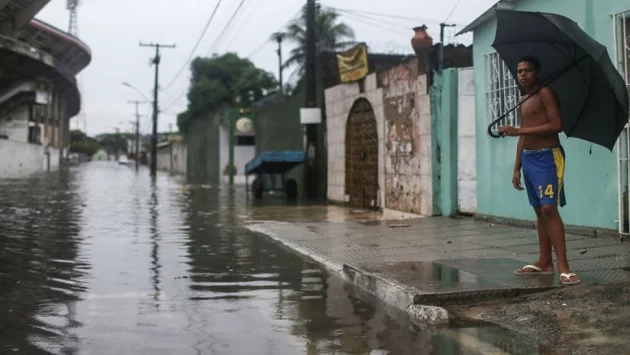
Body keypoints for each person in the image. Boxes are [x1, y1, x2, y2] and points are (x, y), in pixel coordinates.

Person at [498, 55, 580, 285]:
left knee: (549, 208)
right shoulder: (523, 99)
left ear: (538, 72)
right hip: (529, 159)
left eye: (528, 70)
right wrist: (516, 167)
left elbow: (557, 125)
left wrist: (517, 130)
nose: (523, 75)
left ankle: (563, 265)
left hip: (548, 158)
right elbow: (522, 136)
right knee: (538, 210)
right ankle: (545, 261)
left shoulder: (545, 93)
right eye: (520, 71)